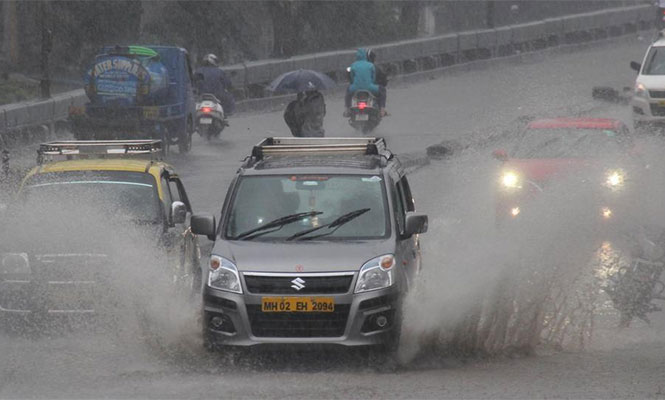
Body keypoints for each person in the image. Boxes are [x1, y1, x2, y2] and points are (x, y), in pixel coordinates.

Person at [344, 48, 385, 117]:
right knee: (382, 91)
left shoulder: (353, 65)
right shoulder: (371, 65)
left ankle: (347, 109)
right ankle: (382, 110)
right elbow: (373, 78)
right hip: (369, 87)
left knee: (348, 91)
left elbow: (351, 77)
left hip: (355, 88)